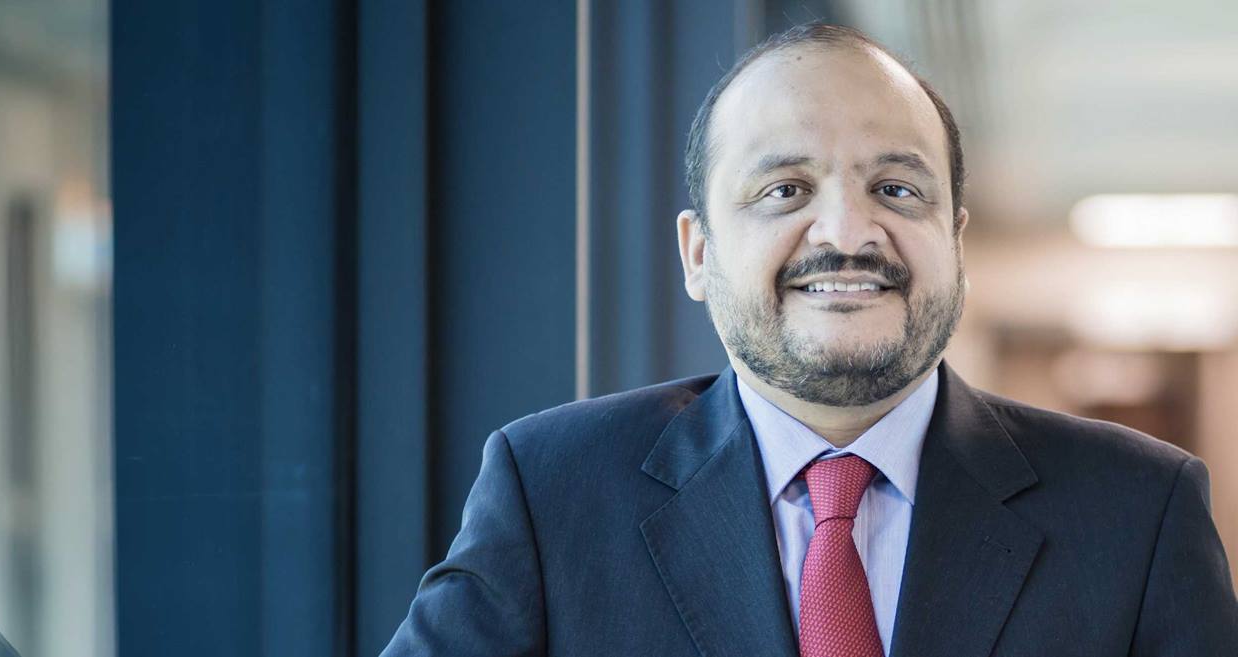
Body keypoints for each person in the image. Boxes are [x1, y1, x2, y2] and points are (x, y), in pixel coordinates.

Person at [379, 23, 1238, 657]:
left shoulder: (1139, 511)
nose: (849, 233)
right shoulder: (551, 492)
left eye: (897, 189)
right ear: (698, 252)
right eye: (785, 189)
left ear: (957, 244)